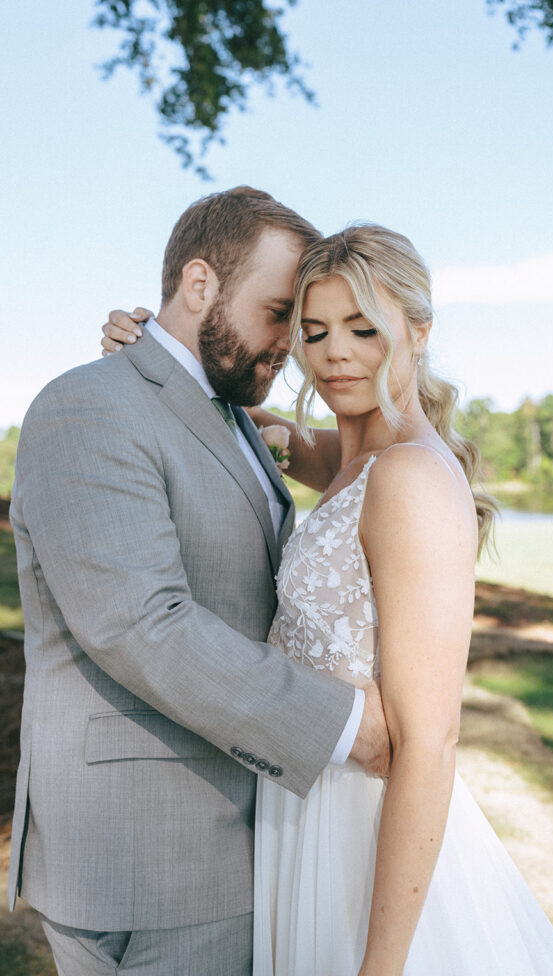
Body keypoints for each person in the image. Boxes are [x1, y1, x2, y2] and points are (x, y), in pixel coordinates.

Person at [104, 223, 553, 974]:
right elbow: (236, 428)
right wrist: (150, 354)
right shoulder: (349, 453)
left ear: (418, 332)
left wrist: (381, 963)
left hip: (363, 833)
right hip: (303, 803)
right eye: (314, 330)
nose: (334, 355)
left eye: (364, 330)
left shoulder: (411, 479)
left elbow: (431, 741)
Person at [9, 187, 389, 976]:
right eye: (281, 312)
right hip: (148, 856)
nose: (297, 344)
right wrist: (348, 726)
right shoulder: (88, 406)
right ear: (199, 285)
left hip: (231, 841)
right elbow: (140, 625)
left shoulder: (234, 417)